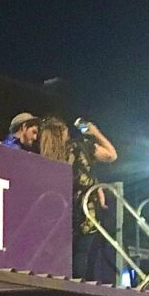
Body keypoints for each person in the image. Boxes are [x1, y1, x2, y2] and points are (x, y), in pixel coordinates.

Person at [38, 116, 119, 283]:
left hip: (59, 216)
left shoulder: (45, 161)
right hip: (85, 213)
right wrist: (96, 133)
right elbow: (112, 155)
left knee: (60, 259)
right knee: (81, 256)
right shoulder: (80, 147)